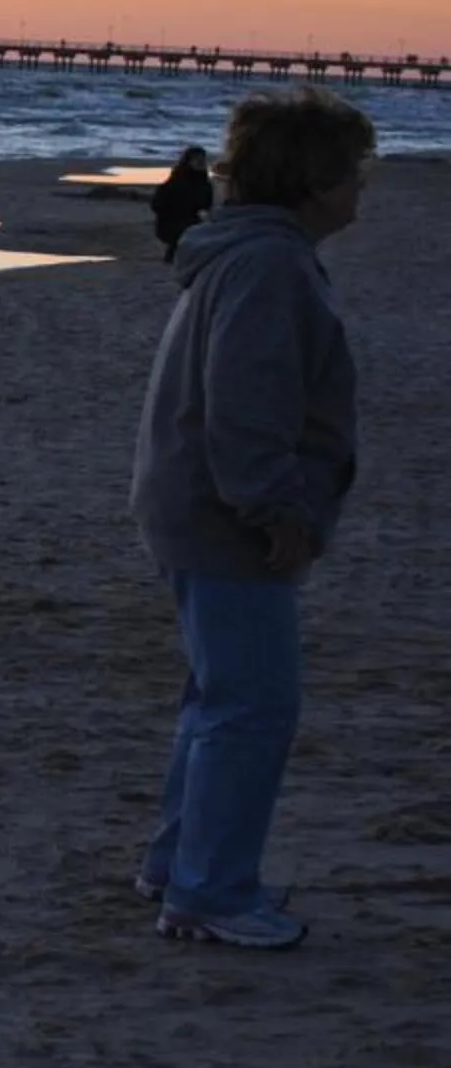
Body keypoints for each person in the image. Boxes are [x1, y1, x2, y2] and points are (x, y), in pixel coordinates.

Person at [131, 87, 373, 951]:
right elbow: (245, 403)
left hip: (192, 505)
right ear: (312, 180)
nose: (361, 188)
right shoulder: (266, 265)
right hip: (224, 517)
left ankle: (177, 865)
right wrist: (276, 508)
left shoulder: (251, 253)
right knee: (254, 707)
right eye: (352, 172)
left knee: (219, 697)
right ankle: (208, 891)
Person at [152, 144, 215, 258]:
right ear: (189, 161)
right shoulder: (174, 182)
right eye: (197, 160)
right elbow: (157, 205)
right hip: (170, 224)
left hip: (192, 222)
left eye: (203, 160)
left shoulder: (205, 184)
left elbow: (206, 206)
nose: (201, 163)